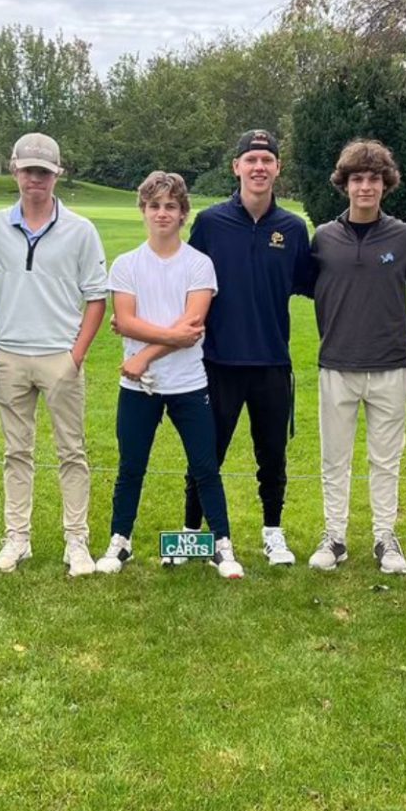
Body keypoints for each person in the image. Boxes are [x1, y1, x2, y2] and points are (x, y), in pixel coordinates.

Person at [0, 133, 108, 576]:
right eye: (28, 170)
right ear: (15, 170)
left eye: (44, 172)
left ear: (56, 176)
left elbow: (97, 298)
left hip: (60, 357)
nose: (35, 179)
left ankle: (76, 542)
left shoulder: (81, 230)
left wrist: (76, 356)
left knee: (72, 452)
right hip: (10, 355)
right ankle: (17, 540)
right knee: (16, 452)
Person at [95, 172, 243, 579]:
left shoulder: (199, 264)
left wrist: (144, 354)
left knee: (204, 467)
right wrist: (163, 340)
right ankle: (119, 541)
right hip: (137, 388)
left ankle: (222, 546)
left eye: (171, 206)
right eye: (155, 206)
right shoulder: (127, 264)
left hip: (188, 384)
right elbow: (125, 320)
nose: (163, 213)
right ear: (143, 211)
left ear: (182, 214)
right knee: (131, 467)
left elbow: (193, 324)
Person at [181, 129, 314, 566]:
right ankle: (192, 533)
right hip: (218, 361)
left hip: (272, 363)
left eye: (267, 160)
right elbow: (183, 279)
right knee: (206, 454)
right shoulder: (211, 223)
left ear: (277, 168)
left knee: (272, 457)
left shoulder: (293, 228)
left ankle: (273, 533)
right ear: (236, 167)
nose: (259, 167)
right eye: (251, 159)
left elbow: (316, 286)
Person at [308, 139, 406, 574]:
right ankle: (335, 536)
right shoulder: (323, 238)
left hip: (390, 364)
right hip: (337, 364)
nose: (365, 187)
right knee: (334, 458)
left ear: (386, 183)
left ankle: (385, 538)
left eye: (373, 179)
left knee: (385, 459)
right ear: (345, 184)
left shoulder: (405, 236)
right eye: (357, 179)